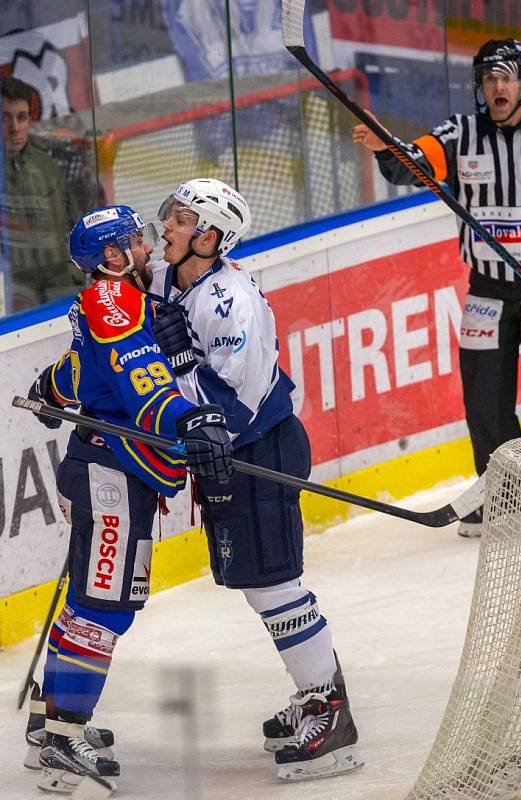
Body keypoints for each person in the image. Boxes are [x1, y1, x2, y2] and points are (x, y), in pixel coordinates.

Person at [148, 178, 363, 781]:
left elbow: (227, 412)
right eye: (171, 214)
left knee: (274, 585)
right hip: (234, 456)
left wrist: (182, 361)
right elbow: (135, 290)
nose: (166, 225)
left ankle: (331, 710)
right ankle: (317, 691)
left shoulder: (228, 303)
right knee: (259, 582)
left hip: (256, 450)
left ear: (211, 237)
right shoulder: (176, 277)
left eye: (181, 219)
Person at [24, 204, 233, 795]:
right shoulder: (113, 300)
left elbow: (84, 367)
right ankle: (65, 734)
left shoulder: (112, 302)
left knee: (94, 598)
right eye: (135, 241)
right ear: (111, 258)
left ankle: (51, 722)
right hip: (109, 471)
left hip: (111, 468)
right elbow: (139, 380)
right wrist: (190, 420)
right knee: (106, 605)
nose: (146, 246)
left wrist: (52, 387)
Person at [354, 38, 521, 537]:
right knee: (486, 401)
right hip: (488, 292)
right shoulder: (459, 134)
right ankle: (504, 505)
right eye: (490, 78)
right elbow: (412, 163)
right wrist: (387, 147)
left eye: (507, 77)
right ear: (480, 87)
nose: (498, 86)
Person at [1, 75, 83, 312]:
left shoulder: (46, 166)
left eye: (21, 117)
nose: (14, 127)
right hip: (13, 291)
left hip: (61, 283)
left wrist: (74, 273)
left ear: (30, 120)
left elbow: (73, 223)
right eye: (5, 118)